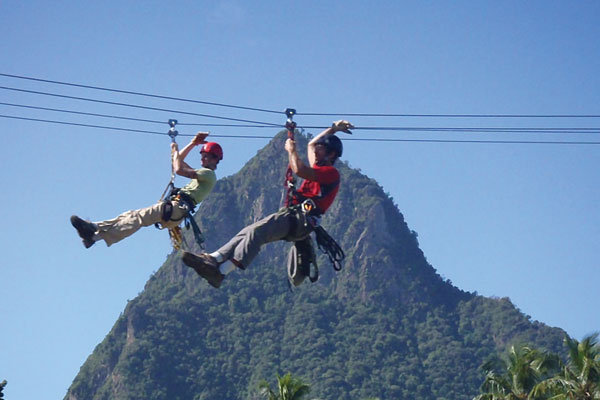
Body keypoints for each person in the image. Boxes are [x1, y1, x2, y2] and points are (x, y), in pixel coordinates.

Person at [182, 120, 354, 288]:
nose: (316, 150)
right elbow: (311, 144)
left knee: (257, 233)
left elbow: (299, 170)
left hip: (301, 219)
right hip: (294, 216)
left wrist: (291, 150)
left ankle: (221, 272)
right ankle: (214, 258)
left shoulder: (331, 173)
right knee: (247, 231)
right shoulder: (319, 168)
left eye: (321, 148)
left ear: (330, 154)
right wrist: (333, 129)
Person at [70, 132, 222, 248]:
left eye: (207, 156)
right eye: (202, 156)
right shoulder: (203, 175)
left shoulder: (208, 174)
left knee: (138, 218)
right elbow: (180, 162)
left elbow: (178, 168)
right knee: (131, 215)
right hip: (176, 208)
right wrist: (192, 144)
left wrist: (175, 150)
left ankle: (94, 236)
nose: (203, 159)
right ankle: (94, 229)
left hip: (177, 208)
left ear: (215, 159)